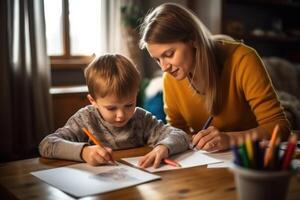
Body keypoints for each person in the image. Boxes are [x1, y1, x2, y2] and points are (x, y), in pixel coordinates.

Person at [139, 3, 290, 152]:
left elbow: (280, 127)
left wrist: (231, 139)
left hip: (251, 158)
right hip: (208, 164)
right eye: (157, 59)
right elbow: (179, 132)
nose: (164, 67)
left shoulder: (243, 59)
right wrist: (168, 144)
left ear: (193, 39)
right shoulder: (170, 79)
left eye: (169, 54)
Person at [39, 54, 189, 168]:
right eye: (111, 108)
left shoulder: (141, 119)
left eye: (129, 105)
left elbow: (180, 135)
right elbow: (47, 145)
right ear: (93, 101)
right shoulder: (85, 119)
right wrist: (84, 152)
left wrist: (163, 148)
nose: (121, 115)